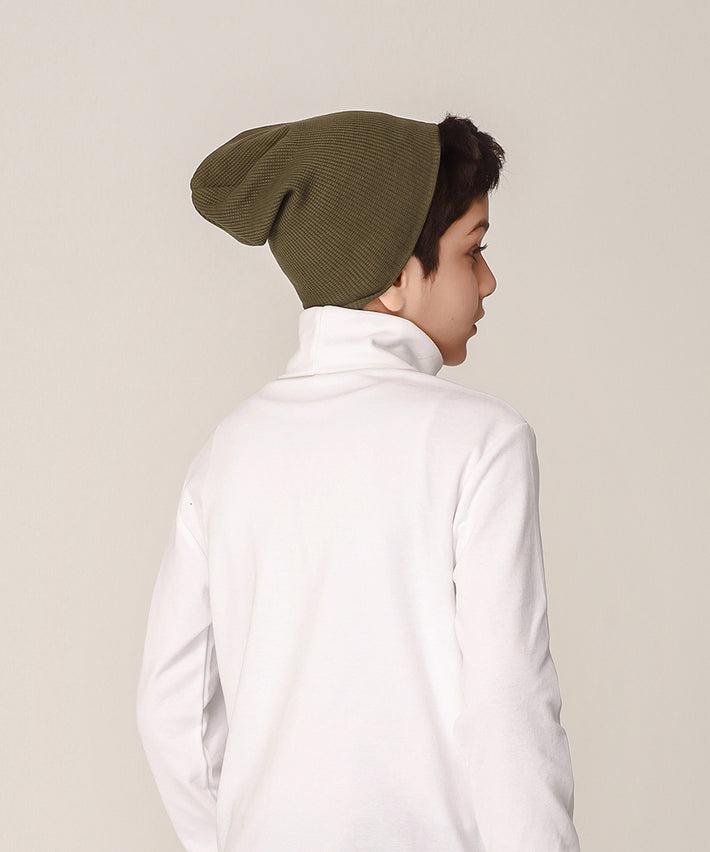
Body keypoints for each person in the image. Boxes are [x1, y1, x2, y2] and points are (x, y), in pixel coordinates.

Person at [136, 109, 581, 851]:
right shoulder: (482, 442)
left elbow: (169, 709)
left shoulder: (227, 454)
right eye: (473, 250)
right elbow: (509, 703)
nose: (489, 279)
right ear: (398, 276)